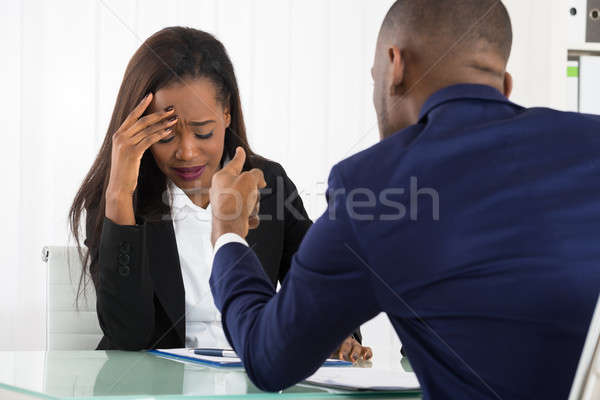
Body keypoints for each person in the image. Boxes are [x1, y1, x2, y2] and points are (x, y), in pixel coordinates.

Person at [207, 0, 600, 398]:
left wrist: (227, 232)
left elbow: (268, 356)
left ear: (395, 65)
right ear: (503, 88)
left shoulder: (377, 185)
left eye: (373, 76)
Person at [69, 27, 370, 361]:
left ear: (226, 114)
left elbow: (318, 282)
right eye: (165, 136)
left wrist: (336, 334)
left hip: (249, 383)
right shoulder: (117, 200)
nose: (187, 152)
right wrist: (119, 192)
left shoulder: (267, 182)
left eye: (204, 132)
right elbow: (128, 336)